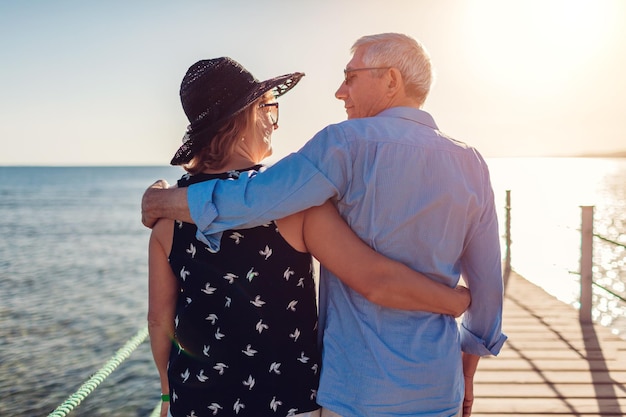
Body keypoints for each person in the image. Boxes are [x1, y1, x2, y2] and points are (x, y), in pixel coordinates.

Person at [143, 33, 507, 416]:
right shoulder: (472, 163)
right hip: (428, 386)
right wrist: (465, 354)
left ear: (391, 80)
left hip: (347, 392)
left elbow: (254, 200)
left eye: (350, 77)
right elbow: (486, 285)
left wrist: (162, 200)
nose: (339, 91)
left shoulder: (343, 144)